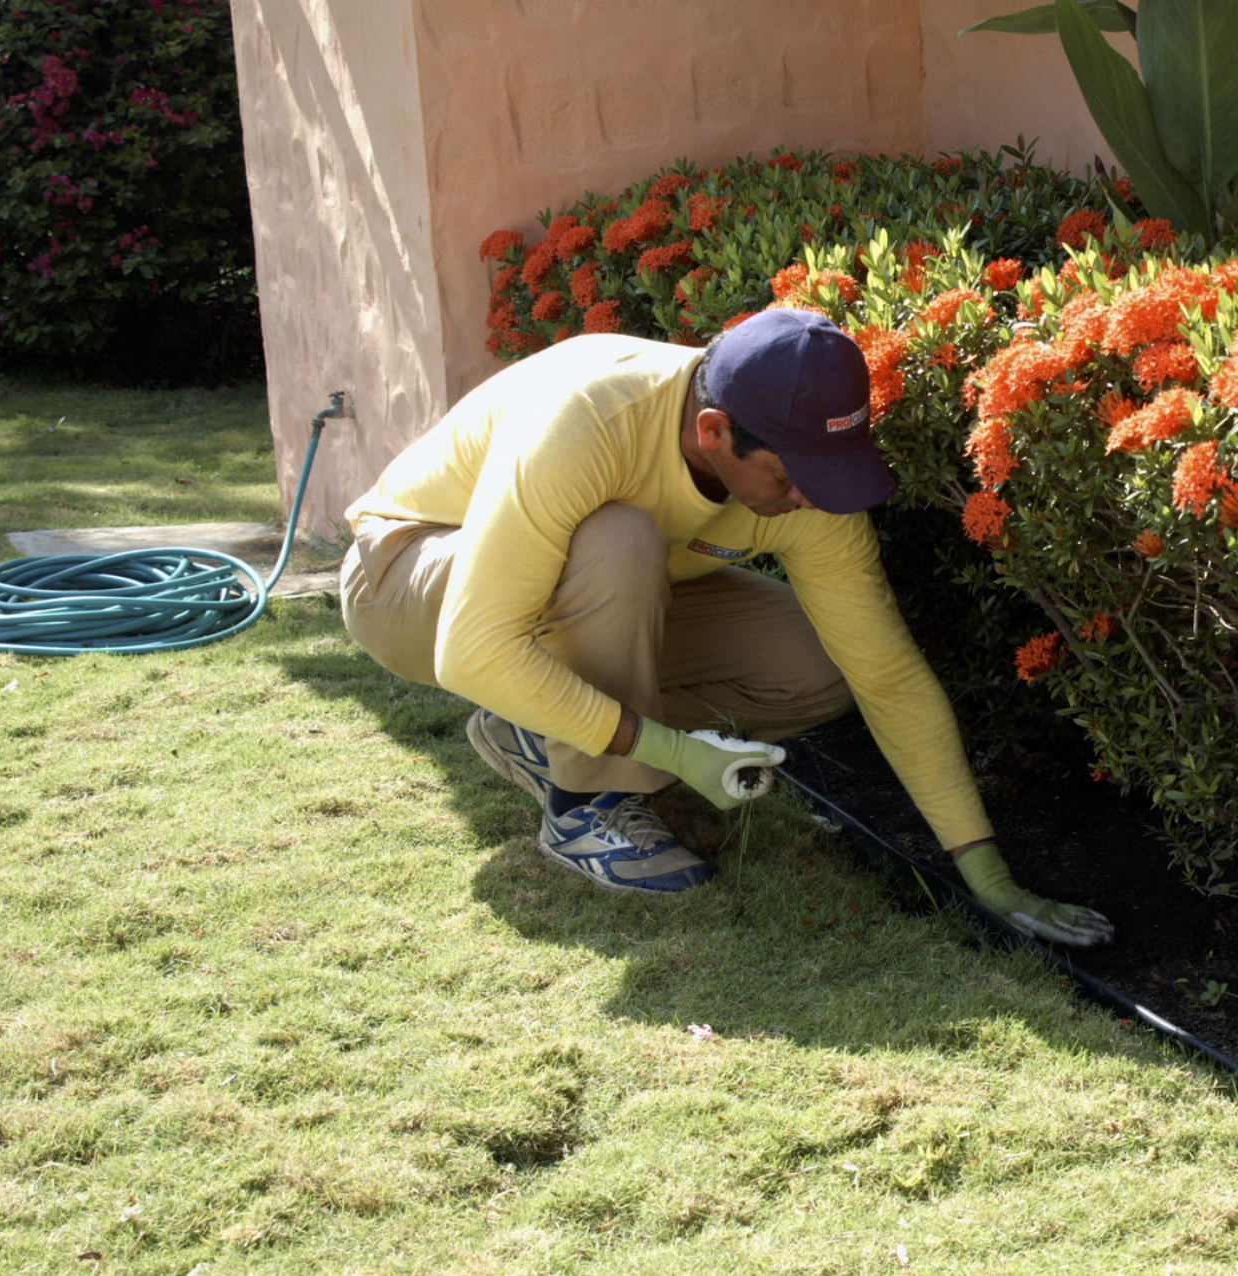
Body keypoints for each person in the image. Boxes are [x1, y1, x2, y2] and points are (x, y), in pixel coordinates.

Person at [336, 308, 1113, 946]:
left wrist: (986, 875)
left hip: (576, 596)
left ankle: (538, 732)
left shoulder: (802, 481)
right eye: (788, 476)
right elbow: (474, 647)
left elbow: (887, 677)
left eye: (829, 471)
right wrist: (670, 751)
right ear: (713, 433)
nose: (811, 497)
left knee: (818, 664)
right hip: (408, 579)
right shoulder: (590, 420)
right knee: (621, 539)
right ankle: (588, 809)